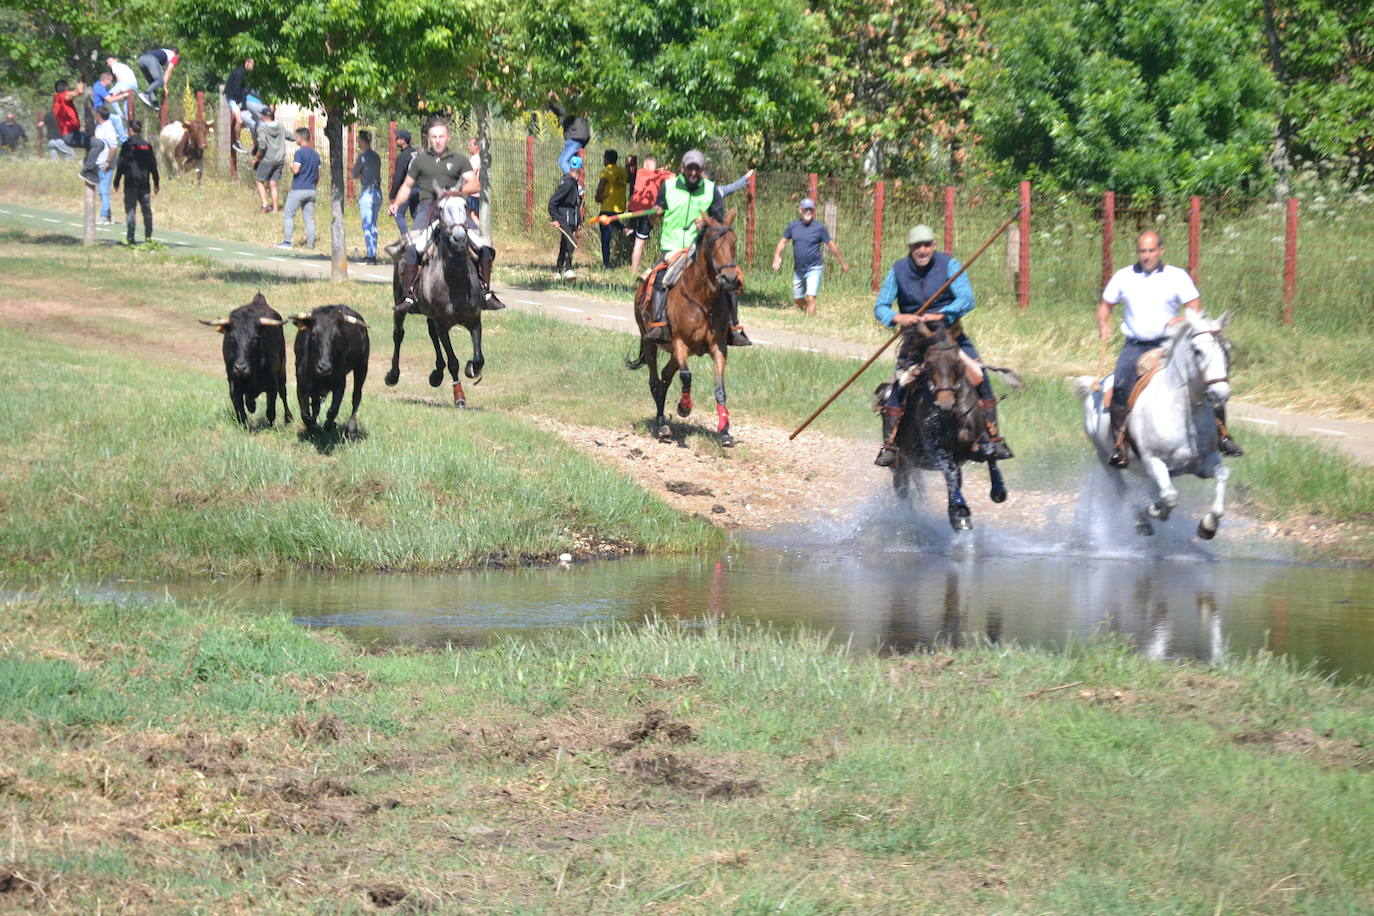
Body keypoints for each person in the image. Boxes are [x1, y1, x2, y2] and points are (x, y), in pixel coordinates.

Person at [1097, 230, 1244, 467]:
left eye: (1151, 251)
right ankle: (1119, 446)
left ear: (1161, 251)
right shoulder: (1124, 276)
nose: (1147, 256)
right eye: (1142, 251)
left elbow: (1195, 308)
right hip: (1135, 346)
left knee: (1209, 381)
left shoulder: (1177, 276)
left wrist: (1181, 320)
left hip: (1171, 344)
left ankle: (1223, 436)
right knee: (1120, 388)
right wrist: (1103, 324)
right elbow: (1105, 305)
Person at [872, 224, 1013, 466]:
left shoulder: (951, 265)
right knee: (899, 385)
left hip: (951, 338)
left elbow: (967, 299)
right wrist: (897, 318)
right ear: (910, 248)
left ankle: (992, 436)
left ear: (934, 245)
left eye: (927, 245)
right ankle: (891, 445)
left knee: (980, 375)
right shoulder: (898, 271)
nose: (923, 250)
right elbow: (881, 306)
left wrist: (942, 314)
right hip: (917, 342)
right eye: (918, 246)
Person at [386, 117, 504, 312]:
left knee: (483, 245)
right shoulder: (420, 161)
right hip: (427, 209)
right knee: (412, 249)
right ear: (429, 138)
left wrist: (453, 194)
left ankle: (485, 293)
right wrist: (396, 203)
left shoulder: (459, 160)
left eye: (441, 136)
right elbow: (407, 185)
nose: (438, 140)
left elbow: (475, 184)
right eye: (434, 137)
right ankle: (409, 296)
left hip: (456, 210)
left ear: (448, 137)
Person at [644, 149, 750, 347]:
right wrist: (655, 214)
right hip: (672, 247)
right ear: (682, 168)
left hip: (700, 248)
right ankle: (659, 323)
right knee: (660, 277)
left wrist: (707, 223)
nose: (694, 172)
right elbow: (653, 219)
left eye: (697, 169)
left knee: (730, 279)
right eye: (690, 168)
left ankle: (733, 328)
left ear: (703, 170)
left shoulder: (711, 190)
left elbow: (719, 224)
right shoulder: (667, 187)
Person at [772, 197, 848, 315]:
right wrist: (777, 256)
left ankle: (810, 322)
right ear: (800, 210)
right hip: (799, 270)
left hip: (814, 268)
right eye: (805, 209)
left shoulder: (819, 228)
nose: (808, 212)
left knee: (811, 297)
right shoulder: (793, 226)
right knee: (797, 298)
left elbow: (831, 245)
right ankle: (809, 313)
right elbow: (783, 242)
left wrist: (842, 262)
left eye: (811, 210)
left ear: (813, 211)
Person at [112, 118, 159, 245]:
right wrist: (156, 182)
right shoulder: (147, 146)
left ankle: (131, 238)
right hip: (144, 184)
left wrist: (116, 181)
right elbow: (153, 166)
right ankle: (148, 237)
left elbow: (121, 164)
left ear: (130, 130)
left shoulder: (127, 145)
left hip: (130, 184)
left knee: (131, 210)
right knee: (146, 211)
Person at [275, 127, 319, 250]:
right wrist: (313, 185)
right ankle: (310, 245)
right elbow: (318, 175)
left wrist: (289, 163)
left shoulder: (299, 153)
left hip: (298, 189)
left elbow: (296, 170)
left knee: (289, 214)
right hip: (311, 189)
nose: (295, 139)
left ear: (300, 137)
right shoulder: (316, 155)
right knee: (309, 218)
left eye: (296, 137)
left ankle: (287, 242)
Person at [627, 155, 673, 271]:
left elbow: (658, 171)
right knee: (640, 243)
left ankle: (630, 233)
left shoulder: (640, 173)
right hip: (647, 210)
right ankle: (634, 271)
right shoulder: (659, 176)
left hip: (633, 209)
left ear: (645, 164)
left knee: (636, 239)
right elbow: (671, 176)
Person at [548, 155, 583, 278]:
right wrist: (555, 218)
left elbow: (576, 205)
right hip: (564, 218)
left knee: (564, 244)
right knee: (571, 242)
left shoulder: (574, 184)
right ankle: (568, 269)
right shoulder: (568, 183)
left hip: (571, 219)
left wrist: (579, 222)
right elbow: (553, 202)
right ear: (580, 170)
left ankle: (558, 271)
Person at [594, 148, 628, 268]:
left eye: (604, 158)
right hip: (619, 206)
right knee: (614, 221)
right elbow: (628, 179)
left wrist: (598, 196)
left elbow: (601, 185)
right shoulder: (622, 171)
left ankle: (606, 264)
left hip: (608, 206)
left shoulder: (606, 171)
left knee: (605, 238)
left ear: (607, 159)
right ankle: (624, 229)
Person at [352, 130, 383, 264]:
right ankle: (373, 252)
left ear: (363, 141)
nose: (357, 142)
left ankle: (370, 255)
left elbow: (353, 174)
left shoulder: (362, 157)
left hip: (367, 193)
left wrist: (361, 175)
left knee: (367, 224)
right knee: (373, 225)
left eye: (358, 140)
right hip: (377, 192)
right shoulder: (376, 156)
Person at [223, 59, 265, 153]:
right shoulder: (240, 73)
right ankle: (237, 143)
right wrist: (239, 104)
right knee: (239, 119)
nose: (253, 67)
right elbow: (236, 89)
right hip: (233, 98)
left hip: (237, 99)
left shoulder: (245, 74)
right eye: (252, 64)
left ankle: (255, 145)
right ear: (247, 63)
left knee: (249, 121)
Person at [88, 107, 121, 224]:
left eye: (96, 114)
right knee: (101, 191)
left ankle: (104, 217)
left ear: (99, 116)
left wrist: (108, 162)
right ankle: (107, 215)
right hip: (99, 162)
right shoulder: (99, 127)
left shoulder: (108, 128)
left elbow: (113, 147)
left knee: (103, 190)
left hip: (105, 163)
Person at [252, 107, 285, 213]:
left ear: (262, 117)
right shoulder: (280, 127)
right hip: (279, 160)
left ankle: (265, 204)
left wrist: (256, 158)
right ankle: (275, 209)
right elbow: (290, 136)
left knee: (259, 181)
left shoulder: (262, 128)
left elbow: (262, 146)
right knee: (273, 184)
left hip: (268, 160)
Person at [548, 95, 589, 175]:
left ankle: (574, 182)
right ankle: (573, 185)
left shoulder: (570, 106)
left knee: (562, 162)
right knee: (573, 164)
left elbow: (559, 110)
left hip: (574, 137)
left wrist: (550, 100)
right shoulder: (581, 105)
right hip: (582, 136)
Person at [389, 129, 418, 236]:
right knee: (416, 215)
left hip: (408, 189)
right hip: (420, 188)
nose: (396, 140)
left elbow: (398, 177)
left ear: (403, 141)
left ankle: (406, 239)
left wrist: (393, 195)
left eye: (398, 138)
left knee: (398, 213)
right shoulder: (416, 153)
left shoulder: (403, 156)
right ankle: (422, 236)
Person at [92, 72, 126, 144]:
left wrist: (119, 92)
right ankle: (124, 141)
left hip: (99, 111)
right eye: (110, 81)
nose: (110, 83)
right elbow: (110, 99)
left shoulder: (98, 85)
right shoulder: (100, 87)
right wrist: (124, 95)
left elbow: (110, 95)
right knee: (117, 120)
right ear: (106, 80)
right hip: (98, 113)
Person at [51, 79, 84, 155]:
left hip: (67, 133)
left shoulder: (57, 99)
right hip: (69, 134)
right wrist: (82, 80)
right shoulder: (62, 97)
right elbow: (79, 92)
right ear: (66, 88)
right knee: (95, 143)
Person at [465, 136, 482, 214]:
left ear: (476, 147)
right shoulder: (478, 158)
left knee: (473, 214)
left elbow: (472, 175)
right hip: (476, 193)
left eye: (470, 145)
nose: (468, 147)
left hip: (474, 194)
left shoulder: (475, 159)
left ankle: (479, 227)